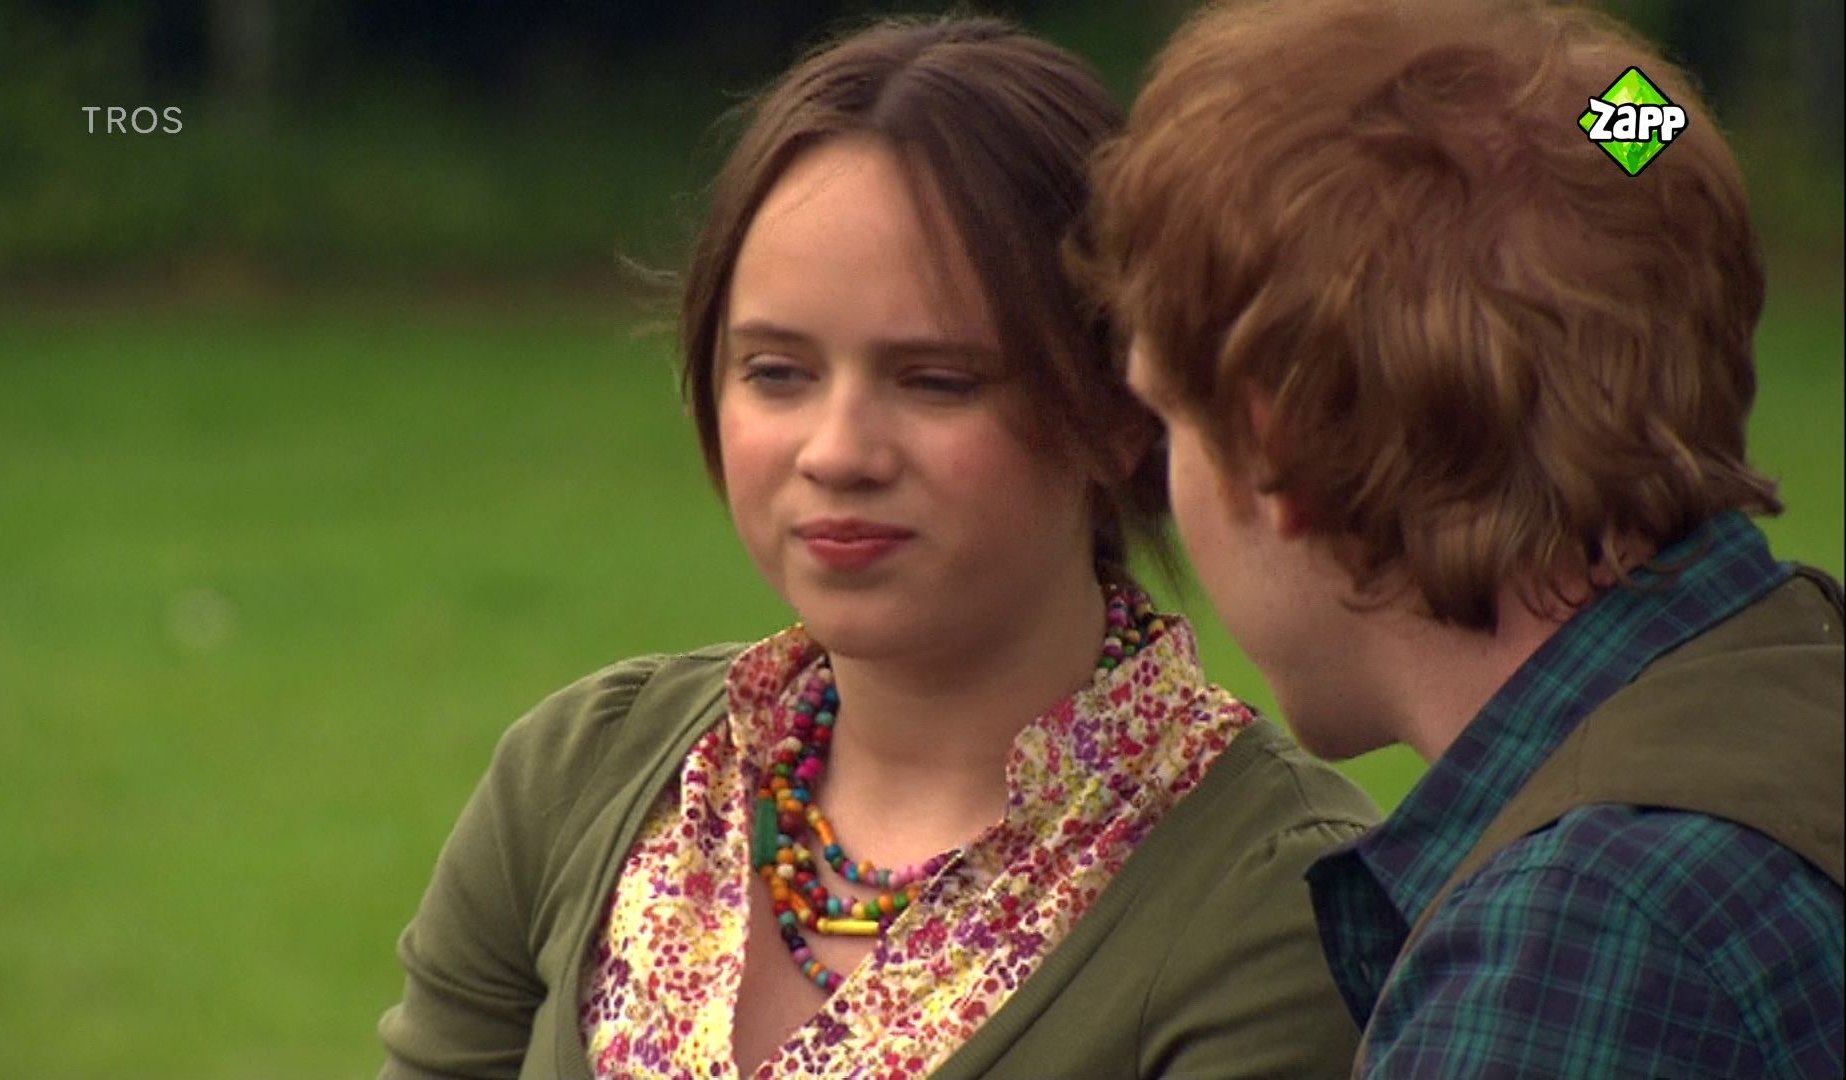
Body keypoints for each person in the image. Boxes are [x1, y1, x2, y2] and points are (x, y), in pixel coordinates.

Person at [378, 16, 1381, 1080]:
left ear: (1120, 408)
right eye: (777, 373)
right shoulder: (582, 773)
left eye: (936, 381)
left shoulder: (1274, 898)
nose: (839, 452)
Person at [1084, 0, 1845, 1076]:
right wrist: (1589, 94)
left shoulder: (1571, 960)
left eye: (1170, 421)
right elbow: (1662, 133)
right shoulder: (1793, 684)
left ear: (1276, 449)